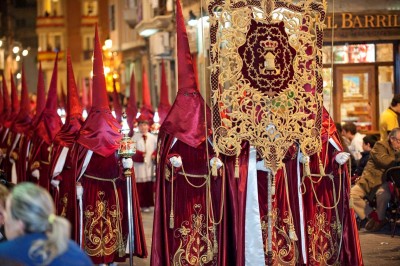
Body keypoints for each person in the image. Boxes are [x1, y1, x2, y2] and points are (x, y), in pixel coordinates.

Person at [0, 182, 92, 265]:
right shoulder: (75, 252)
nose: (4, 219)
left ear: (20, 222)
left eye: (6, 213)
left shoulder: (5, 255)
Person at [350, 128, 400, 232]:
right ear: (391, 139)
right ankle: (374, 217)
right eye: (398, 141)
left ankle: (380, 219)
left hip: (386, 182)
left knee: (383, 194)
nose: (399, 143)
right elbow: (385, 161)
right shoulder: (380, 145)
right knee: (351, 195)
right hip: (370, 180)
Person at [132, 114, 157, 212]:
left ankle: (148, 203)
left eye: (145, 125)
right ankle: (140, 204)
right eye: (141, 125)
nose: (143, 127)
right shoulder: (134, 137)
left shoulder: (153, 137)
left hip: (149, 164)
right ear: (138, 126)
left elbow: (157, 148)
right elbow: (131, 150)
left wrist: (154, 154)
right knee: (140, 184)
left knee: (148, 184)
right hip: (139, 165)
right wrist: (139, 155)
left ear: (148, 126)